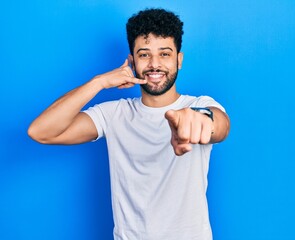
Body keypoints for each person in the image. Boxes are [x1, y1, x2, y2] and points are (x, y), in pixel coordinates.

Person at [28, 8, 230, 240]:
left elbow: (220, 125)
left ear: (179, 60)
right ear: (132, 62)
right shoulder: (114, 114)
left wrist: (199, 120)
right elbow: (40, 131)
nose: (155, 64)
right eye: (144, 55)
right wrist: (99, 82)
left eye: (164, 54)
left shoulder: (199, 104)